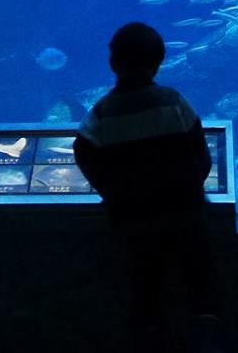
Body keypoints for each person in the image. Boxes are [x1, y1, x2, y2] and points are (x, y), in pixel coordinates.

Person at [73, 22, 227, 353]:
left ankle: (147, 337)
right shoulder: (173, 101)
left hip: (133, 219)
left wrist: (113, 193)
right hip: (186, 214)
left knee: (144, 283)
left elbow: (83, 152)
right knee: (200, 280)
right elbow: (200, 153)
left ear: (113, 63)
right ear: (158, 63)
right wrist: (188, 187)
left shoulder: (103, 111)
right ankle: (208, 334)